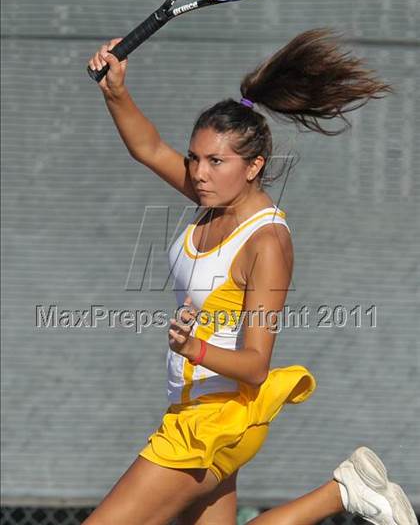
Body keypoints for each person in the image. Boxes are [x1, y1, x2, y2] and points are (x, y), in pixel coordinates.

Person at [84, 29, 417, 525]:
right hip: (193, 410)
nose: (199, 172)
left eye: (217, 162)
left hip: (213, 420)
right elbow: (149, 147)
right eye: (196, 158)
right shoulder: (211, 198)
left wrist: (192, 348)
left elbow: (257, 364)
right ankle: (343, 490)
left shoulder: (267, 243)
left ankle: (343, 492)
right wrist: (115, 90)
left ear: (254, 165)